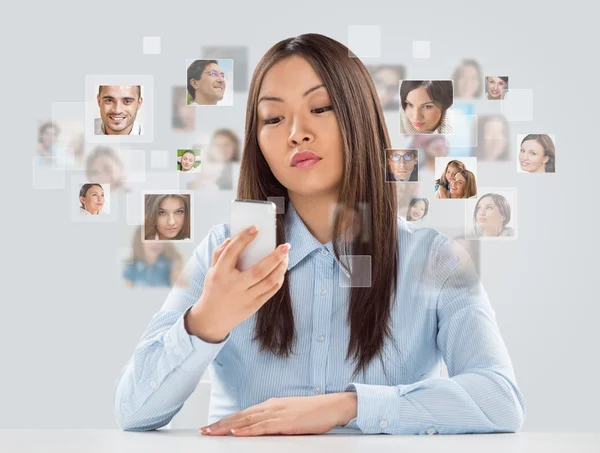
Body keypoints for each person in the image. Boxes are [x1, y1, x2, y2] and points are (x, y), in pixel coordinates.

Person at [115, 33, 524, 436]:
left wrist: (347, 407)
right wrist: (207, 320)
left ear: (359, 116)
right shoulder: (226, 253)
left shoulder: (434, 259)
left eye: (321, 107)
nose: (296, 132)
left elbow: (499, 400)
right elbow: (133, 412)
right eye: (273, 118)